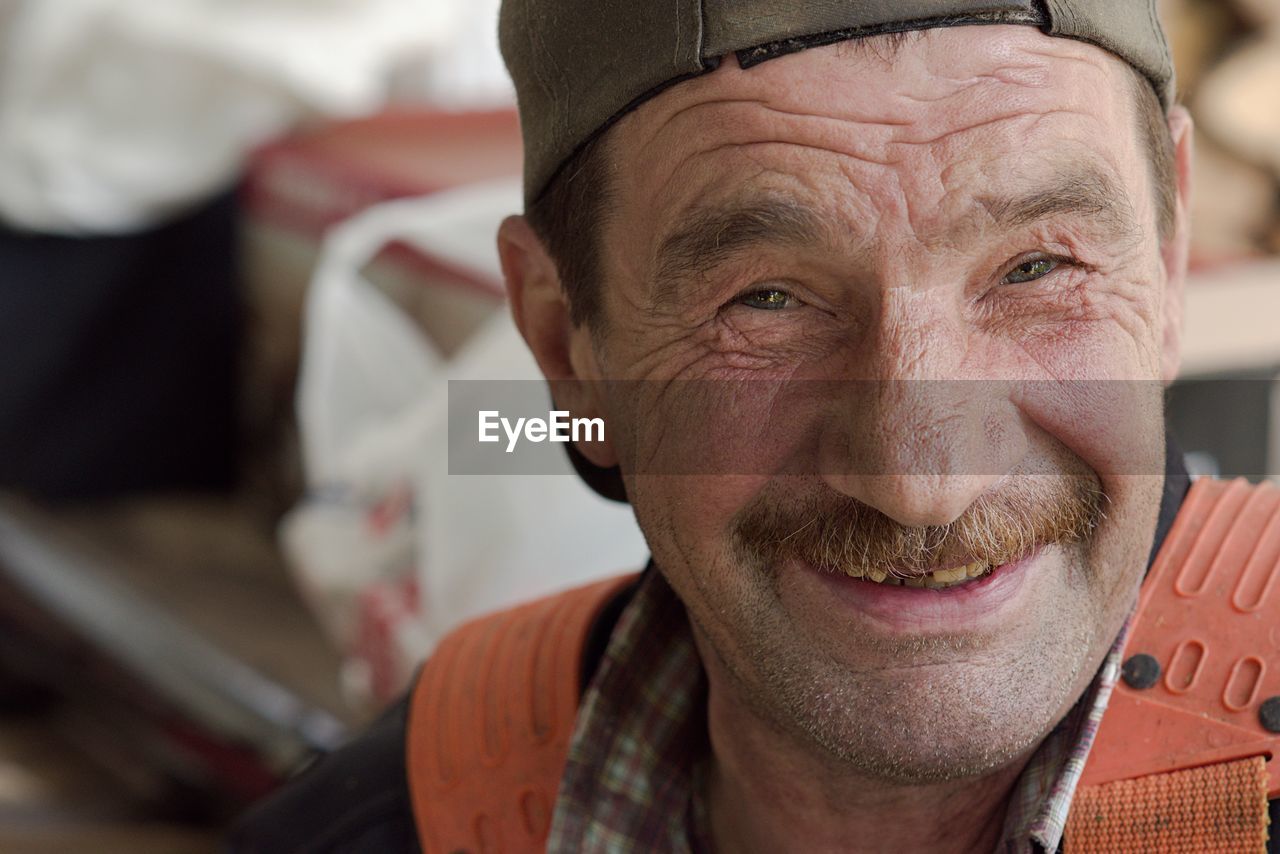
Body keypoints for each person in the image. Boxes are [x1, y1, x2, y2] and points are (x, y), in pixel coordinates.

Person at [230, 2, 1280, 852]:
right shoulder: (402, 815)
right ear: (566, 346)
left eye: (1035, 268)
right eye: (765, 300)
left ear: (1168, 251)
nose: (919, 479)